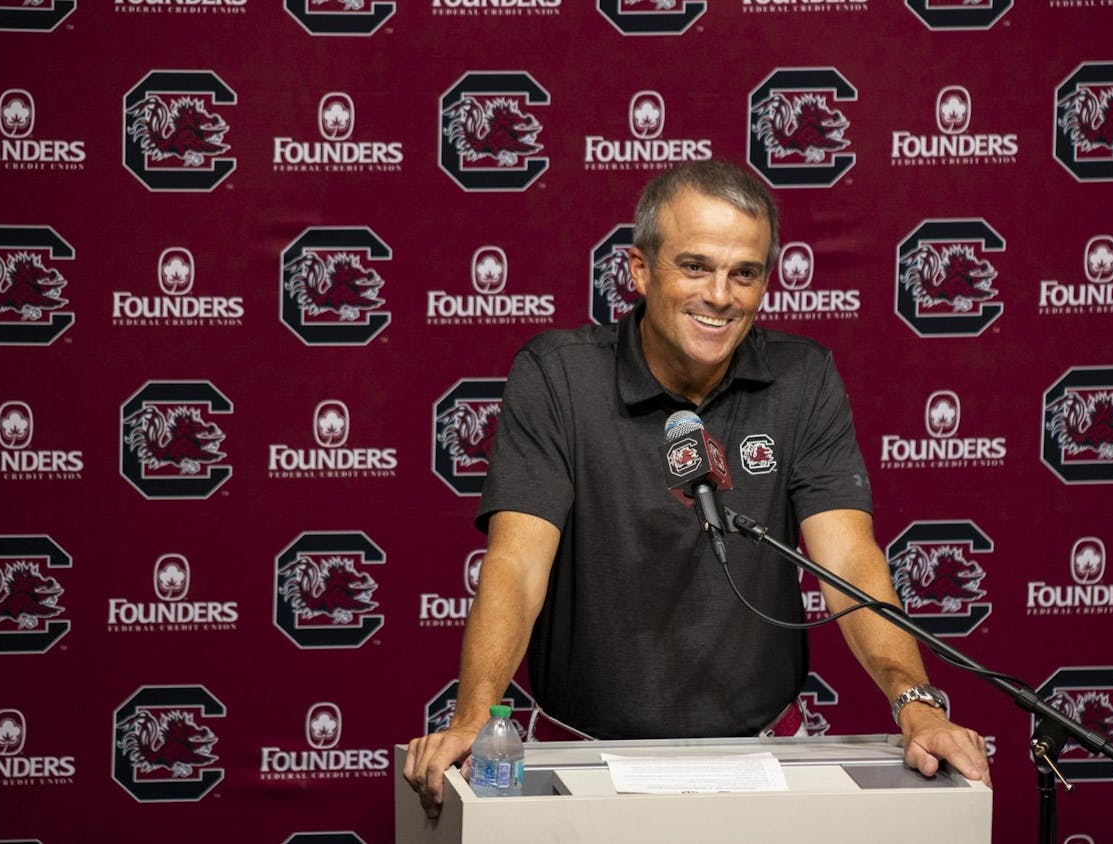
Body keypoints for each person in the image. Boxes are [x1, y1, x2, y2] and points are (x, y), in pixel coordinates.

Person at [404, 160, 990, 818]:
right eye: (695, 266)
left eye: (745, 273)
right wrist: (474, 716)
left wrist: (914, 699)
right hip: (587, 751)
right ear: (639, 270)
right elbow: (515, 565)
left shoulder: (804, 378)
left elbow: (849, 559)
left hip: (761, 752)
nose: (721, 295)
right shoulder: (558, 377)